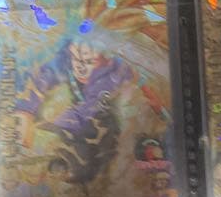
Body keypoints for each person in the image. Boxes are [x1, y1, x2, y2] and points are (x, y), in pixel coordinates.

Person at [14, 38, 136, 186]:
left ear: (106, 62)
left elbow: (85, 112)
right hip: (77, 125)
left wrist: (44, 133)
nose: (80, 67)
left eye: (89, 62)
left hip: (102, 126)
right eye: (76, 59)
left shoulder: (111, 76)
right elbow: (45, 74)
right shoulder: (67, 57)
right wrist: (25, 111)